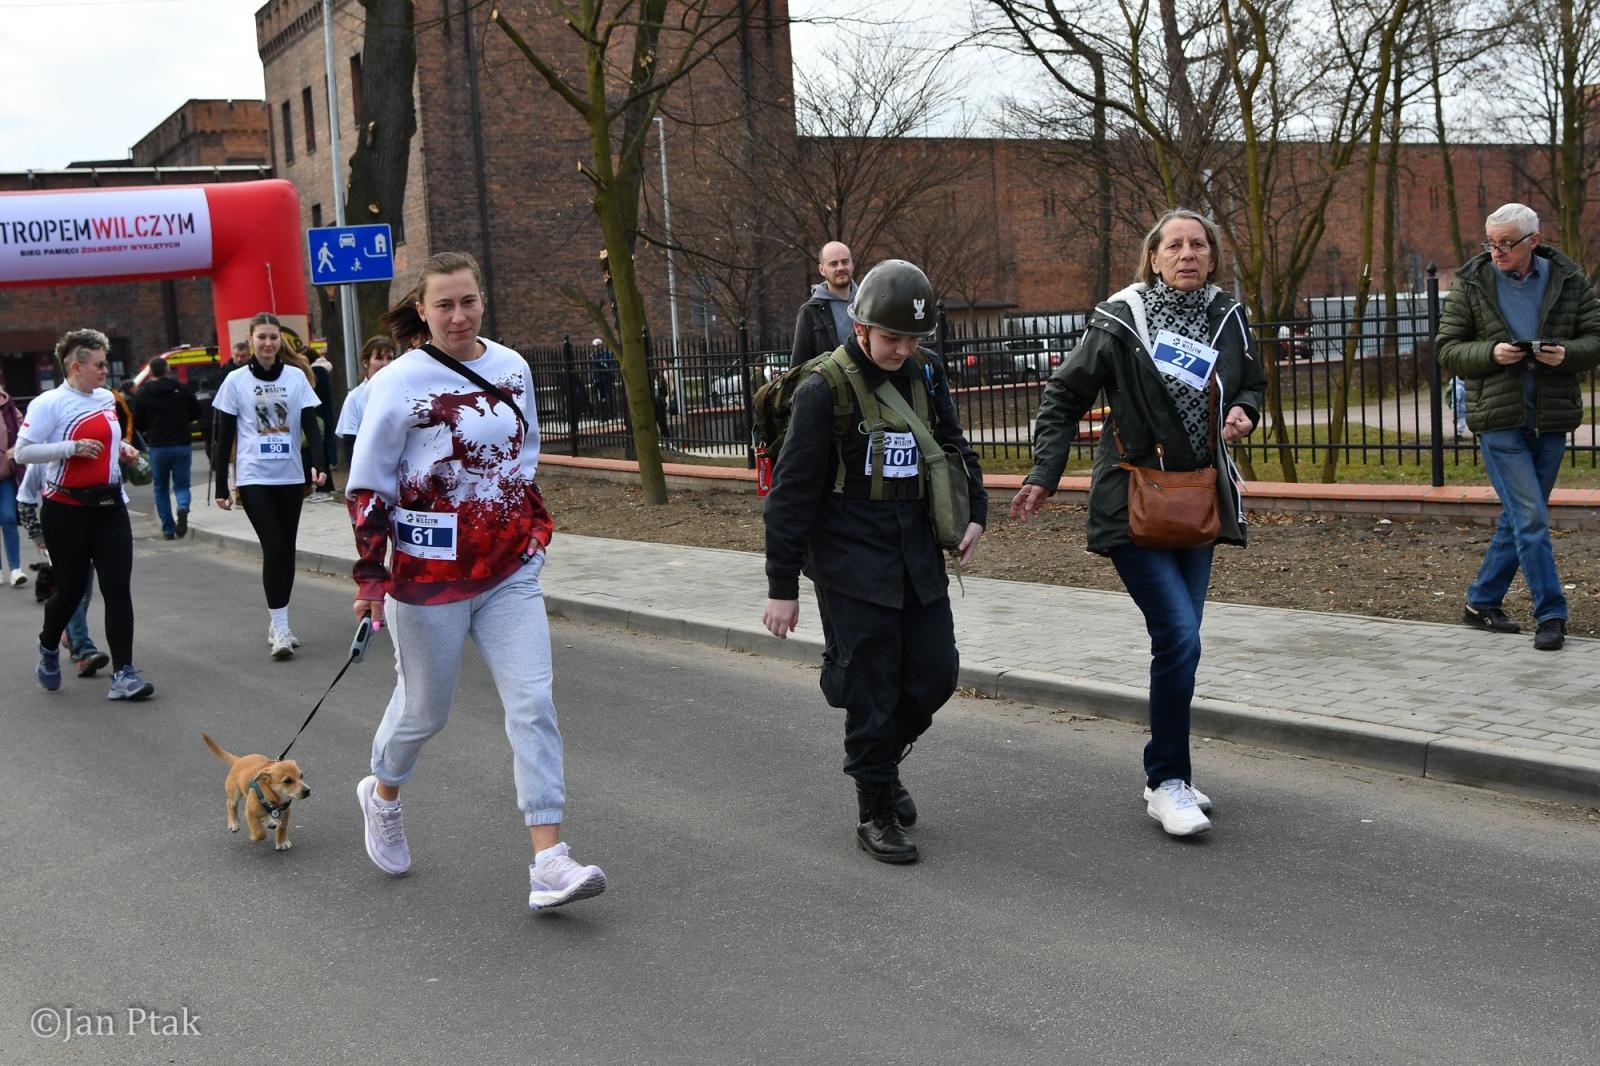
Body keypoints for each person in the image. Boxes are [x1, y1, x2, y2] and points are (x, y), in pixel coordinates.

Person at [347, 250, 607, 911]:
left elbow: (524, 457)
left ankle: (548, 859)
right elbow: (368, 480)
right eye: (444, 305)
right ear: (422, 311)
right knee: (423, 713)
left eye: (468, 301)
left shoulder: (512, 367)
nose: (458, 315)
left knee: (532, 705)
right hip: (427, 579)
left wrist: (531, 531)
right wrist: (371, 571)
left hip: (508, 570)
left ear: (482, 301)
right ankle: (382, 793)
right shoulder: (397, 382)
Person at [1010, 208, 1265, 838]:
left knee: (1180, 645)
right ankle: (1167, 781)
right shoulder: (1121, 320)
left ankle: (1165, 774)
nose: (1187, 254)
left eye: (1198, 245)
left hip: (1198, 501)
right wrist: (1045, 472)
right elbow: (1064, 395)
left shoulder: (1227, 317)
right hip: (1133, 501)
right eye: (1173, 245)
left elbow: (1252, 382)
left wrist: (1244, 412)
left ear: (1211, 257)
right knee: (1180, 637)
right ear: (1153, 258)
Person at [762, 259, 987, 865]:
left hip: (916, 555)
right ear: (860, 327)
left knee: (936, 671)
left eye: (914, 339)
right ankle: (875, 808)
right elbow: (791, 495)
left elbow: (954, 446)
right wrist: (782, 585)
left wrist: (975, 514)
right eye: (892, 337)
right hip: (849, 563)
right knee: (871, 686)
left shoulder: (926, 375)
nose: (903, 349)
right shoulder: (823, 389)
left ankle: (882, 763)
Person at [1437, 202, 1600, 652]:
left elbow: (1595, 338)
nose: (1496, 252)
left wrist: (1565, 353)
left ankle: (1481, 600)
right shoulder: (1472, 283)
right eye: (1490, 243)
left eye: (1506, 243)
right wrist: (1491, 353)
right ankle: (1551, 613)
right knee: (1531, 518)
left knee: (1518, 519)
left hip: (1550, 417)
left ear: (1533, 240)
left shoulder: (1568, 280)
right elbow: (1447, 348)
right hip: (1499, 418)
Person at [13, 328, 154, 700]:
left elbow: (105, 441)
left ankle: (124, 673)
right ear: (77, 367)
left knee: (117, 590)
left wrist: (122, 449)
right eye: (100, 365)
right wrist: (71, 447)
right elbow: (22, 452)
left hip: (110, 508)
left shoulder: (106, 397)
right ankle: (47, 647)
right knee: (71, 592)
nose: (106, 371)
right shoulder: (50, 403)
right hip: (66, 511)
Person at [210, 312, 327, 660]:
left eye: (273, 337)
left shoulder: (295, 378)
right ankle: (279, 629)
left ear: (281, 341)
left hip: (290, 476)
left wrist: (318, 464)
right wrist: (221, 484)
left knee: (286, 550)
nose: (267, 343)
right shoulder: (234, 381)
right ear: (250, 339)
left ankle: (282, 621)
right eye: (261, 337)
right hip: (254, 476)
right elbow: (224, 435)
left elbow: (312, 425)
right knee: (274, 548)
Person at [16, 459, 107, 677]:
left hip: (89, 530)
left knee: (85, 589)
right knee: (74, 593)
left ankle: (70, 634)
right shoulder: (43, 456)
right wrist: (37, 534)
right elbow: (25, 497)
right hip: (56, 533)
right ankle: (83, 649)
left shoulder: (88, 452)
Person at [132, 356, 201, 540]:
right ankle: (183, 506)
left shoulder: (143, 393)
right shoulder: (181, 389)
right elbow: (196, 411)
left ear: (151, 372)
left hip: (158, 445)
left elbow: (137, 420)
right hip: (182, 443)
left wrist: (148, 429)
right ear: (167, 370)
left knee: (161, 488)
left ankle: (168, 529)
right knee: (182, 484)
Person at [789, 241, 857, 369]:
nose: (841, 267)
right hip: (831, 387)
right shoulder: (810, 311)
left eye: (845, 261)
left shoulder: (868, 302)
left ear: (852, 264)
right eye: (833, 264)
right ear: (822, 270)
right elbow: (799, 366)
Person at [335, 336, 397, 467]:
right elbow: (350, 443)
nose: (385, 364)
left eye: (390, 358)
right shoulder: (355, 398)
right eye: (379, 358)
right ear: (365, 362)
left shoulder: (403, 393)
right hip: (368, 469)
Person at [0, 385, 25, 586]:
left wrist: (14, 449)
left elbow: (25, 431)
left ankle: (15, 568)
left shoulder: (7, 406)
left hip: (6, 474)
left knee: (8, 517)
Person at [590, 338, 618, 420]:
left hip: (607, 379)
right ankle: (603, 415)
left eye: (596, 346)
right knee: (600, 398)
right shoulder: (593, 356)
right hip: (598, 380)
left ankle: (612, 414)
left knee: (609, 397)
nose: (595, 348)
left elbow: (613, 366)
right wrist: (593, 378)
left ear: (600, 346)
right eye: (594, 347)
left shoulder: (607, 354)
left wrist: (609, 372)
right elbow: (591, 369)